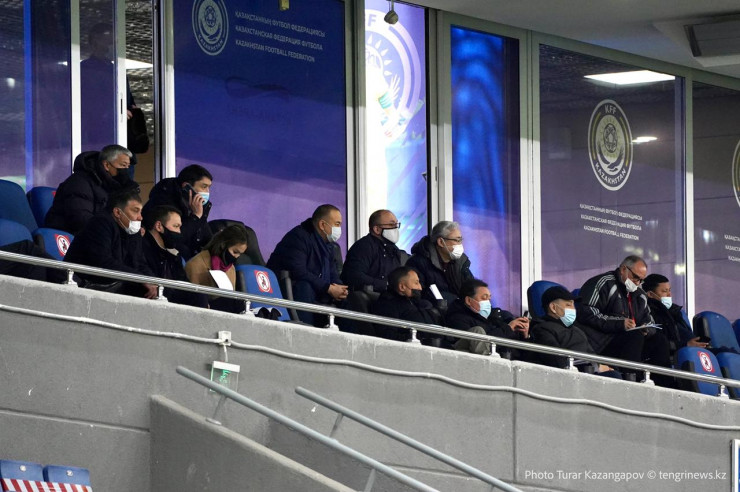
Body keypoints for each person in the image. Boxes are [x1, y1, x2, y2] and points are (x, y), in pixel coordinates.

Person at [577, 255, 672, 384]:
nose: (637, 283)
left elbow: (650, 321)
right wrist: (620, 323)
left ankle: (665, 384)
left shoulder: (640, 295)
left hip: (629, 343)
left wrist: (646, 329)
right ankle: (632, 380)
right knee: (634, 336)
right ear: (623, 269)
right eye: (635, 277)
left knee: (659, 340)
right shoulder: (604, 283)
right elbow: (586, 312)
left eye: (641, 280)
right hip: (602, 343)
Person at [63, 188, 157, 298]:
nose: (140, 217)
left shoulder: (132, 231)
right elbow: (103, 262)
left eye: (141, 212)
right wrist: (140, 279)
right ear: (117, 212)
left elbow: (140, 263)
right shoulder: (100, 224)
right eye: (135, 211)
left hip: (114, 286)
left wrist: (154, 284)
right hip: (84, 286)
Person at [266, 204, 348, 326]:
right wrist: (328, 288)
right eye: (337, 224)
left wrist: (340, 289)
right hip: (294, 291)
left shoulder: (329, 246)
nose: (339, 229)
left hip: (318, 291)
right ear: (322, 225)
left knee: (349, 300)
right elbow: (298, 271)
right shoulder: (298, 237)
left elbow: (332, 272)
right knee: (305, 286)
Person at [45, 145, 137, 235]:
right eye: (123, 165)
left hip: (98, 234)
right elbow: (80, 218)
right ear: (107, 165)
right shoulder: (79, 182)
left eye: (128, 166)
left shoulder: (114, 186)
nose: (126, 170)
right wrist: (114, 232)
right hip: (72, 236)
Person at [531, 286, 619, 377]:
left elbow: (592, 355)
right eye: (568, 305)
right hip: (570, 377)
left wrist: (602, 366)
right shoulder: (542, 329)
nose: (573, 309)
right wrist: (596, 367)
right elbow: (557, 361)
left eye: (573, 305)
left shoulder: (577, 330)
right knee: (614, 376)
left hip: (588, 373)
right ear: (553, 307)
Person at [141, 205, 208, 308]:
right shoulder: (142, 248)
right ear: (159, 226)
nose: (179, 232)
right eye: (176, 226)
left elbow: (183, 282)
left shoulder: (173, 252)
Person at [143, 164, 214, 260]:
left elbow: (204, 236)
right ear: (186, 187)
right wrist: (196, 216)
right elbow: (175, 238)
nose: (207, 192)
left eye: (209, 187)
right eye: (204, 186)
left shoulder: (197, 206)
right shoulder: (164, 201)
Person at [445, 279, 530, 357]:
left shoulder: (493, 318)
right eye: (484, 298)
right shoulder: (457, 318)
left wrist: (524, 335)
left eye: (489, 299)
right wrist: (508, 328)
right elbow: (479, 344)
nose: (488, 303)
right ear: (468, 300)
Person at [642, 273, 707, 363]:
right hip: (673, 358)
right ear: (650, 294)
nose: (669, 295)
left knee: (722, 352)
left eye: (669, 290)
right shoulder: (648, 313)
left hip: (691, 353)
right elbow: (658, 343)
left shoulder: (675, 312)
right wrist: (686, 344)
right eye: (664, 291)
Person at [185, 224, 248, 313]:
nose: (237, 257)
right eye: (235, 252)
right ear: (223, 245)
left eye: (240, 254)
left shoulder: (231, 269)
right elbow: (192, 299)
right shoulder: (195, 264)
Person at [406, 221, 473, 304]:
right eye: (457, 240)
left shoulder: (460, 262)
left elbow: (472, 289)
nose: (460, 244)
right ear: (441, 242)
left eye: (460, 240)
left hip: (457, 310)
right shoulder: (417, 262)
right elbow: (418, 296)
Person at [341, 210, 407, 292]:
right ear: (377, 229)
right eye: (391, 224)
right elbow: (354, 276)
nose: (395, 228)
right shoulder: (364, 246)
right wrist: (385, 285)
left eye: (396, 224)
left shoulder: (394, 249)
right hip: (370, 297)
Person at [372, 266, 441, 342]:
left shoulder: (415, 302)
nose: (420, 288)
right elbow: (388, 336)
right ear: (402, 287)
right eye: (416, 283)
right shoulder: (387, 305)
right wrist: (418, 338)